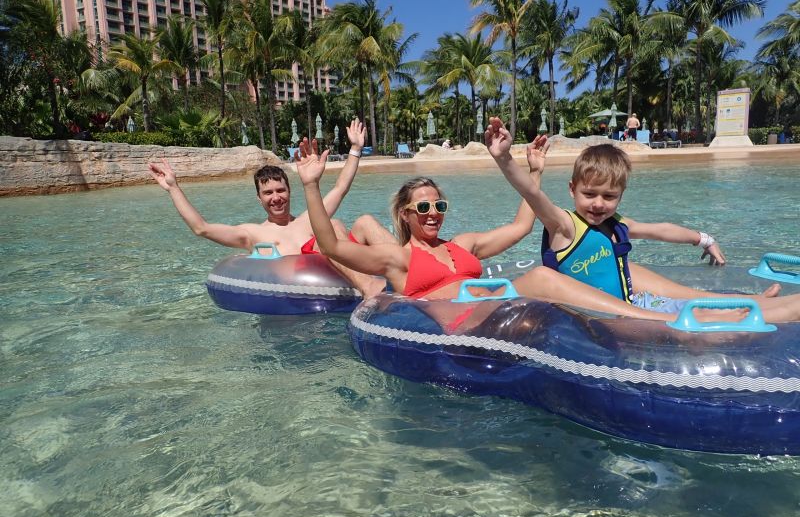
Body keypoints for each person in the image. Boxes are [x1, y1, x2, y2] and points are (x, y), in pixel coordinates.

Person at [294, 117, 774, 324]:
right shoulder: (397, 259)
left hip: (493, 307)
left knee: (630, 268)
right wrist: (312, 185)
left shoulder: (464, 246)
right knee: (542, 277)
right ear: (406, 215)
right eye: (423, 208)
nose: (434, 214)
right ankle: (663, 321)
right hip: (461, 320)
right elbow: (333, 247)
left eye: (439, 206)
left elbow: (522, 226)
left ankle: (739, 302)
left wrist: (535, 170)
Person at [486, 136, 800, 323]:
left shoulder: (616, 224)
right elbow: (532, 193)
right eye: (589, 194)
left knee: (702, 302)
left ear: (620, 195)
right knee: (704, 320)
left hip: (632, 305)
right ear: (572, 189)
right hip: (603, 319)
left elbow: (661, 230)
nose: (598, 204)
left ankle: (753, 302)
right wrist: (504, 159)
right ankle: (766, 312)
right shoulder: (564, 227)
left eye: (609, 196)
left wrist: (704, 239)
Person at [148, 117, 392, 297]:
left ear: (289, 192)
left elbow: (340, 188)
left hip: (341, 282)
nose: (276, 197)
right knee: (327, 232)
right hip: (304, 297)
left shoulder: (309, 220)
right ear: (259, 199)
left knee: (364, 222)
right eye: (268, 193)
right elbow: (201, 228)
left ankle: (408, 276)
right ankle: (371, 287)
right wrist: (173, 188)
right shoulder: (253, 234)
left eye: (280, 190)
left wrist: (355, 149)